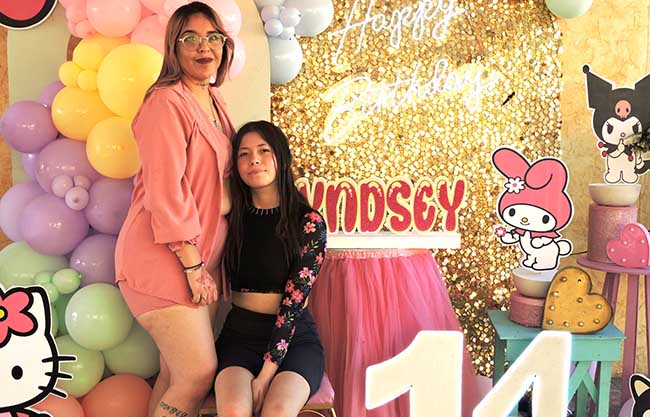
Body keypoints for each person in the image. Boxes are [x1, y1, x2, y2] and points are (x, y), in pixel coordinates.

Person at [114, 2, 235, 417]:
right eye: (190, 38)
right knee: (197, 374)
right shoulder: (166, 102)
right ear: (174, 48)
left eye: (213, 37)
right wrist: (192, 264)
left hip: (200, 259)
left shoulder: (214, 101)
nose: (204, 46)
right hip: (165, 257)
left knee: (172, 375)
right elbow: (166, 191)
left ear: (224, 45)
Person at [215, 121, 327, 417]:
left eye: (264, 151)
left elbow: (292, 305)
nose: (254, 159)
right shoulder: (232, 217)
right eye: (244, 154)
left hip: (294, 339)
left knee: (277, 410)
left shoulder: (309, 222)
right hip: (240, 336)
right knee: (233, 410)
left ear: (281, 156)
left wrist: (266, 375)